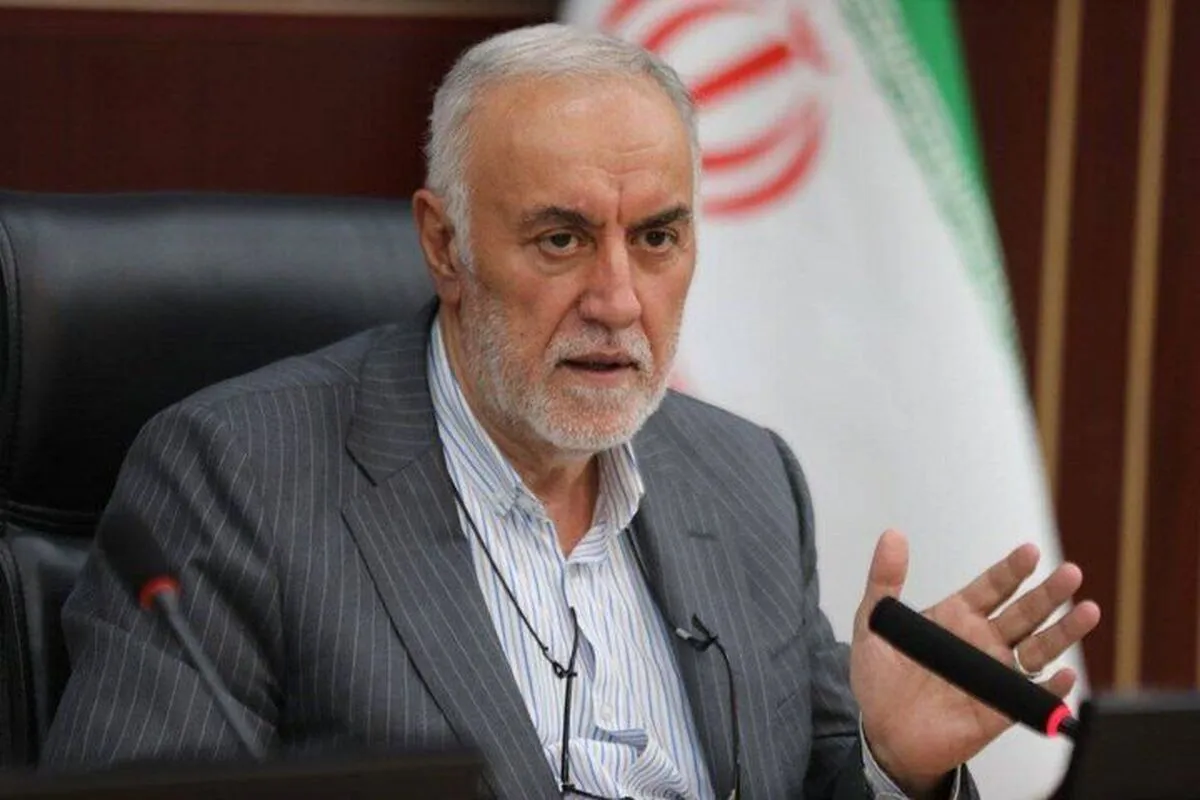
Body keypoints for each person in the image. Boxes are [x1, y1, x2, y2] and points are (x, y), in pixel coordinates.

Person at [43, 23, 1099, 800]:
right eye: (562, 239)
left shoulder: (746, 481)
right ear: (446, 245)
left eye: (657, 238)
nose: (618, 300)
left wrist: (888, 763)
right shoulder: (237, 477)